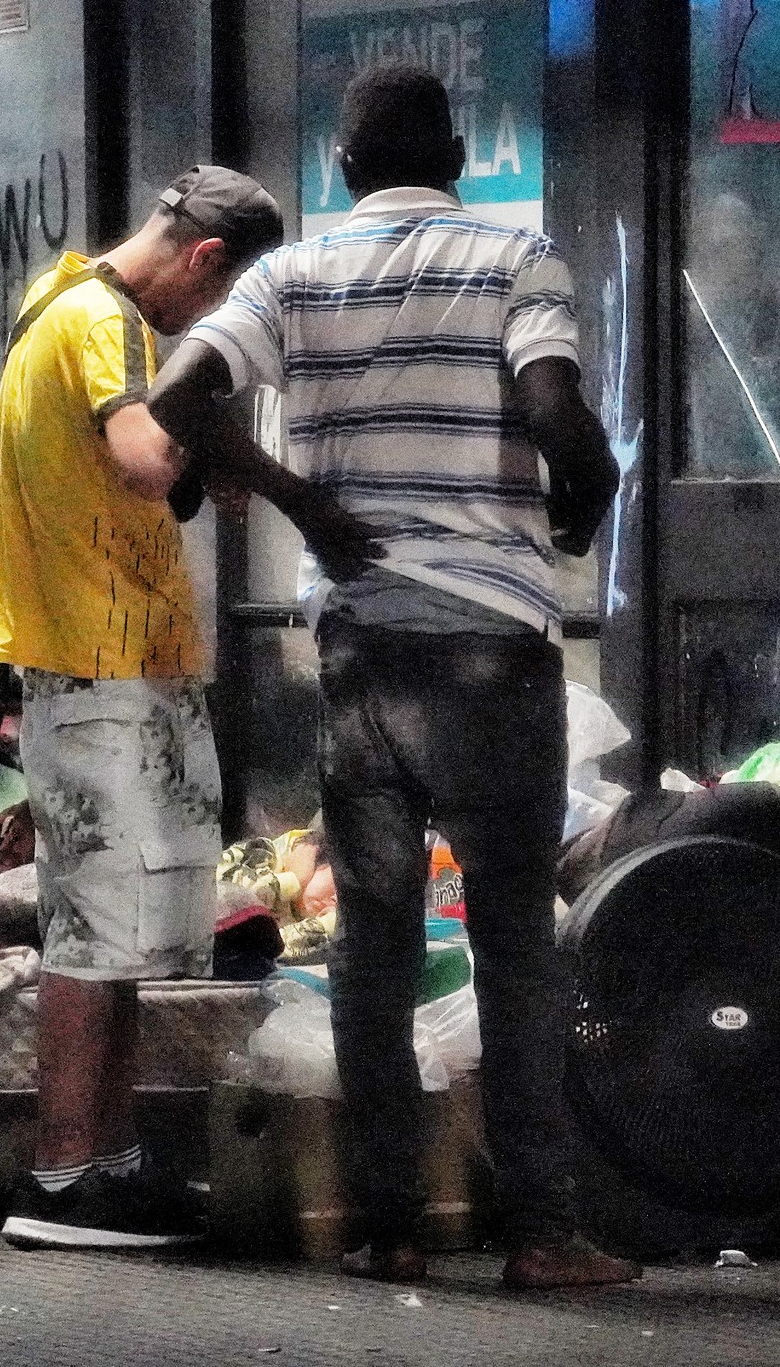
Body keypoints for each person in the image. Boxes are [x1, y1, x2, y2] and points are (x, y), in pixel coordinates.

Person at [146, 68, 638, 1289]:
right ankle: (538, 1234)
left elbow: (173, 401)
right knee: (514, 941)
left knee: (371, 945)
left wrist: (305, 502)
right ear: (460, 154)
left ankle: (385, 1225)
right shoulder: (515, 258)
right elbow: (552, 413)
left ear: (342, 165)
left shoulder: (288, 276)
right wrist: (586, 493)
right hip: (489, 654)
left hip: (360, 658)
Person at [0, 164, 285, 1249]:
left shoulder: (54, 302)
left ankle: (104, 1159)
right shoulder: (102, 322)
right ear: (204, 260)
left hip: (104, 661)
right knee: (90, 931)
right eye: (212, 300)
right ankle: (63, 1172)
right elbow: (143, 455)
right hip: (97, 665)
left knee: (109, 934)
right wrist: (208, 413)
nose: (198, 322)